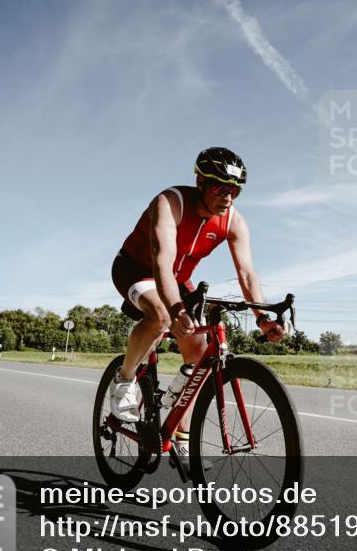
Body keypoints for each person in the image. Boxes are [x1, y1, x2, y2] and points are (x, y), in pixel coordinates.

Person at [109, 147, 285, 469]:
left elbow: (246, 272)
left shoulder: (234, 221)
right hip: (136, 269)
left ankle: (181, 434)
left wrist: (261, 317)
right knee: (161, 316)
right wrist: (175, 310)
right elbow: (162, 261)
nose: (228, 196)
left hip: (179, 279)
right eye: (220, 187)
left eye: (235, 190)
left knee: (200, 354)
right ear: (200, 181)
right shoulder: (170, 202)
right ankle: (124, 380)